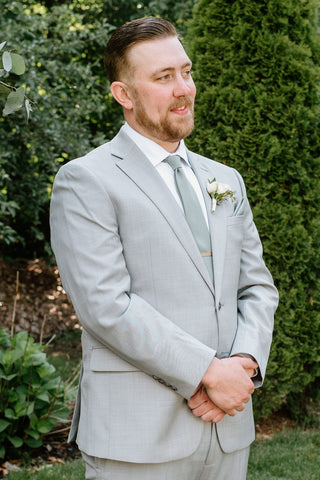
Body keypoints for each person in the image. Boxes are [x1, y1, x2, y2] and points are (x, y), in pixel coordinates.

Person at [50, 16, 278, 480]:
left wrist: (244, 365)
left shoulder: (225, 180)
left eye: (186, 72)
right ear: (124, 95)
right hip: (137, 437)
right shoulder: (86, 179)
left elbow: (256, 287)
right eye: (163, 77)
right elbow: (105, 306)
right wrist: (208, 374)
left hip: (227, 429)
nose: (184, 89)